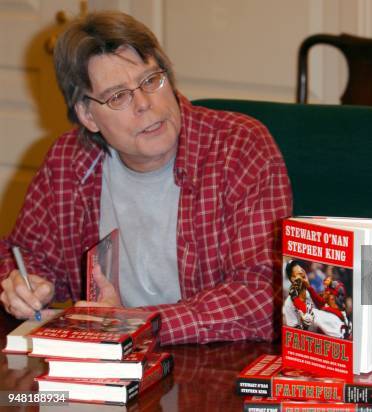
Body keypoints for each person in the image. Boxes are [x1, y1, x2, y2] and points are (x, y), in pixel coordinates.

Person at [0, 11, 292, 345]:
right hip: (112, 367)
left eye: (151, 81)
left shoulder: (239, 148)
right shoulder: (69, 160)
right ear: (87, 115)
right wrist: (24, 285)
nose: (145, 104)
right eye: (118, 96)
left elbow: (264, 297)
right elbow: (23, 255)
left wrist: (137, 325)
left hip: (213, 367)